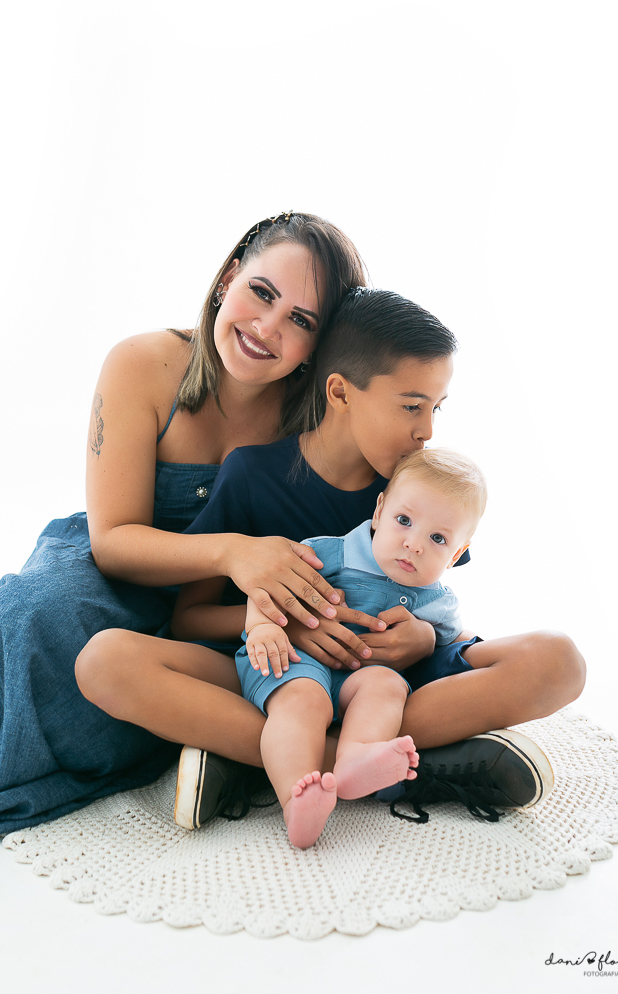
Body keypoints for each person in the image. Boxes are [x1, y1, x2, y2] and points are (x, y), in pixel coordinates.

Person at [76, 288, 585, 832]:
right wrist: (289, 625)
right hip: (278, 671)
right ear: (340, 392)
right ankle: (405, 767)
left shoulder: (414, 491)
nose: (428, 430)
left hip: (384, 685)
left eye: (436, 408)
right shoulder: (252, 474)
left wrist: (424, 639)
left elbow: (437, 601)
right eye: (412, 406)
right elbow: (190, 620)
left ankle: (264, 759)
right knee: (105, 662)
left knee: (558, 662)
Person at [0, 212, 381, 834]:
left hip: (236, 610)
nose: (267, 327)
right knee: (37, 615)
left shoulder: (318, 415)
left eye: (301, 321)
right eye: (261, 292)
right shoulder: (145, 363)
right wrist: (232, 551)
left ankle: (253, 748)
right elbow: (113, 541)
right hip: (121, 572)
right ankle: (268, 755)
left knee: (302, 670)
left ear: (321, 345)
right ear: (229, 277)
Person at [232, 446, 498, 850]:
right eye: (404, 521)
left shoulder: (437, 601)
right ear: (379, 512)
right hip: (295, 661)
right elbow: (266, 586)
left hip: (357, 680)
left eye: (438, 538)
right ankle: (295, 800)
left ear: (457, 554)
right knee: (304, 701)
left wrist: (445, 642)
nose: (413, 544)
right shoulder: (328, 553)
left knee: (387, 686)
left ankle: (357, 757)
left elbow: (457, 642)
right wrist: (261, 626)